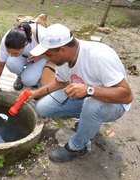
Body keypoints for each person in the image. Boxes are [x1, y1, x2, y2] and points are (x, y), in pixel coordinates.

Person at [25, 23, 133, 162]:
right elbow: (60, 82)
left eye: (48, 54)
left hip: (114, 104)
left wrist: (89, 89)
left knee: (92, 105)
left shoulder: (98, 56)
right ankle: (88, 121)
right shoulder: (63, 60)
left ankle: (77, 146)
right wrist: (36, 93)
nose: (47, 58)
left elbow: (127, 96)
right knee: (42, 108)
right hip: (86, 97)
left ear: (62, 49)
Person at [0, 22, 49, 104]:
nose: (12, 55)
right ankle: (20, 77)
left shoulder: (42, 34)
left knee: (28, 80)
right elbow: (0, 64)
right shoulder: (7, 39)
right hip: (25, 57)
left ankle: (37, 81)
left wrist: (40, 56)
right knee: (11, 62)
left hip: (42, 56)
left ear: (26, 43)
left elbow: (55, 52)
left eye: (15, 53)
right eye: (9, 52)